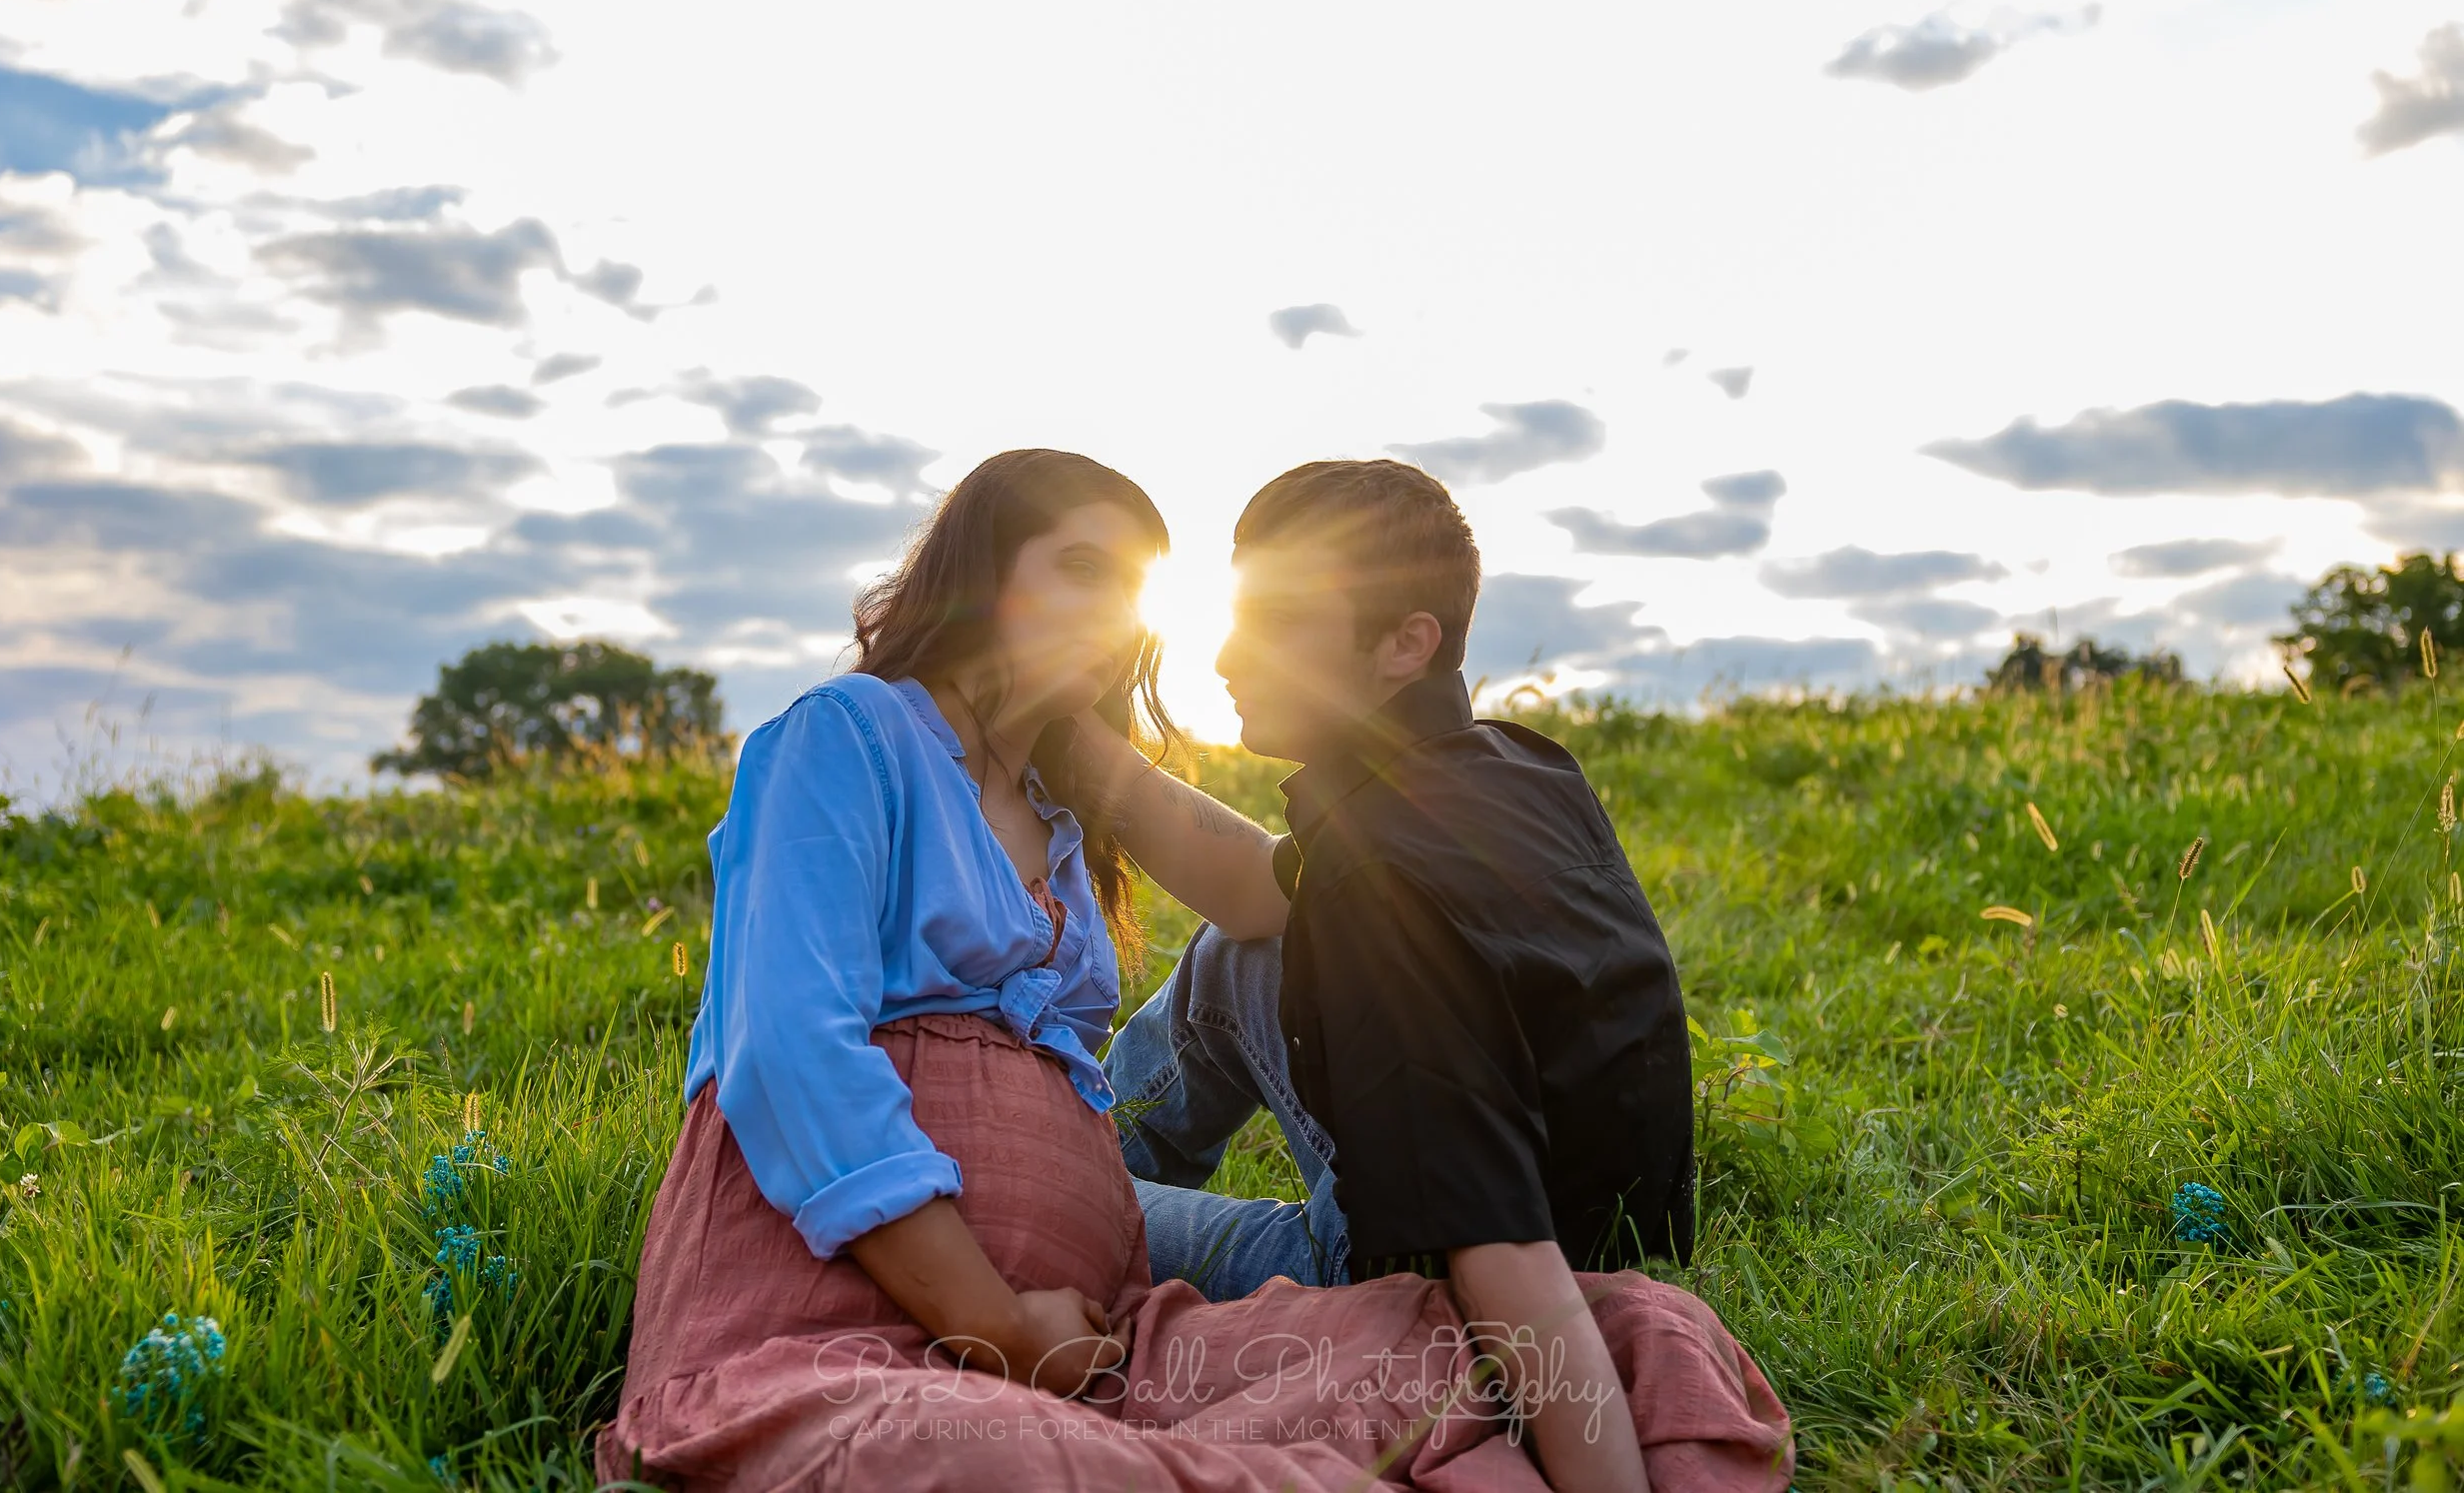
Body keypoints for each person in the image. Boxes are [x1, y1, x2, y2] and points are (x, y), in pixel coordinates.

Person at [595, 448, 1791, 1493]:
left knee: (1626, 1332)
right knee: (998, 1457)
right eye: (1082, 569)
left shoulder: (1105, 819)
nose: (1125, 614)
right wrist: (1004, 1325)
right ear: (979, 575)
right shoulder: (844, 736)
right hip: (880, 1326)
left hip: (1125, 1325)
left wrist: (1056, 734)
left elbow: (1286, 913)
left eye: (1135, 588)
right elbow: (791, 1049)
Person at [1077, 459, 1700, 1472]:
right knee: (1239, 947)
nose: (1227, 653)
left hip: (1434, 1288)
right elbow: (1251, 892)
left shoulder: (1378, 885)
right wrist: (1082, 747)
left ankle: (1070, 1188)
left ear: (1405, 641)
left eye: (1275, 621)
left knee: (1014, 1203)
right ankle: (1098, 1144)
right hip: (1593, 1212)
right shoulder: (1512, 763)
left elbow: (1505, 1257)